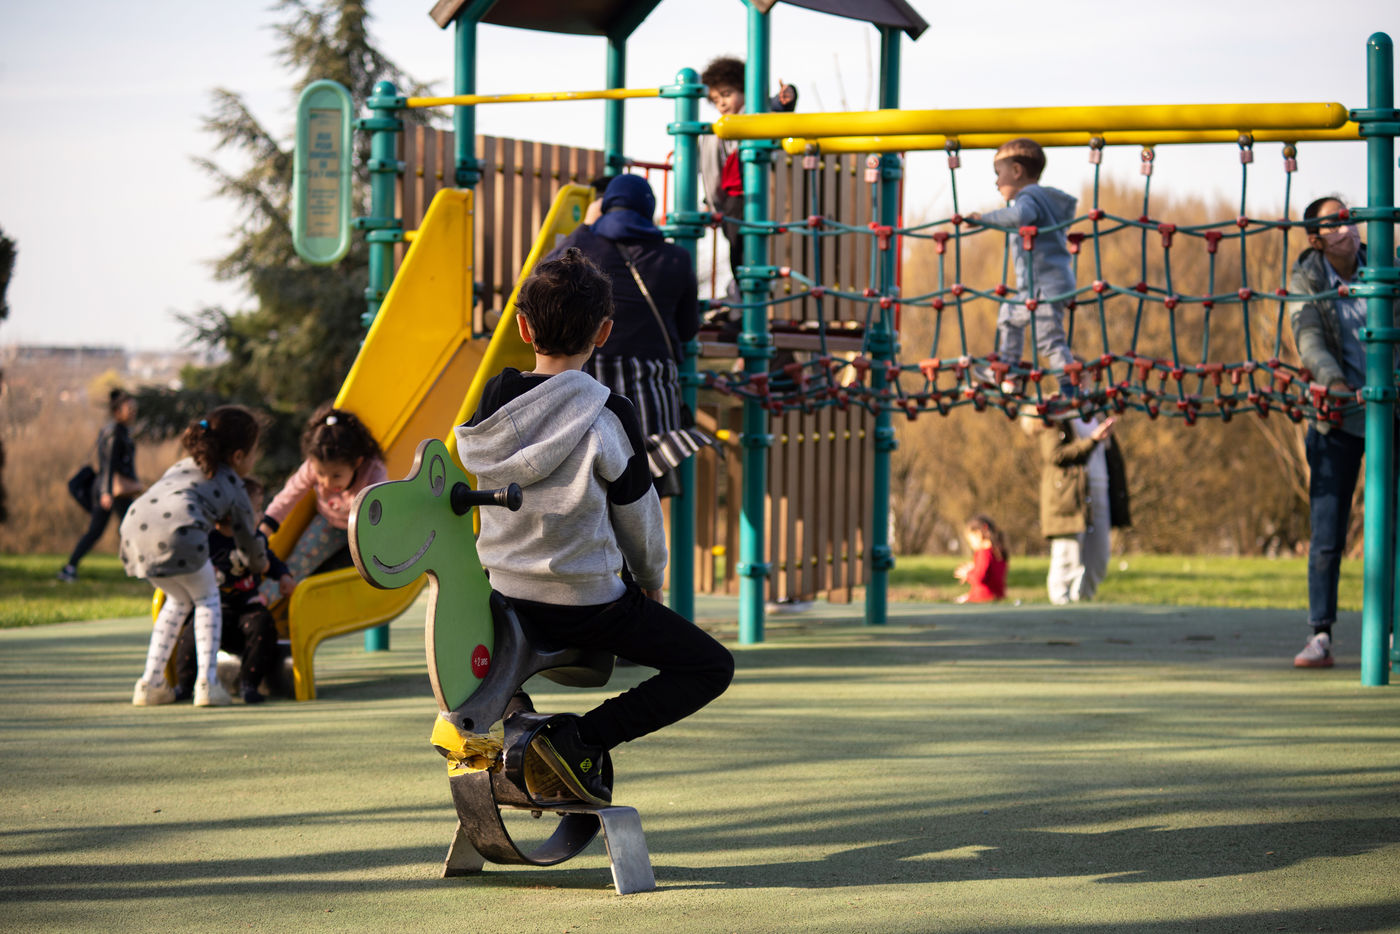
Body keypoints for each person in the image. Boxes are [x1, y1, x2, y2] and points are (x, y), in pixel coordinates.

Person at [456, 247, 734, 806]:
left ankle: (515, 719)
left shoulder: (492, 405)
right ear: (604, 332)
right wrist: (651, 580)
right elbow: (638, 517)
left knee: (498, 661)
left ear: (523, 328)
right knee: (710, 666)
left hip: (503, 597)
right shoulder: (609, 413)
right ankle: (582, 738)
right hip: (587, 606)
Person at [1288, 195, 1398, 668]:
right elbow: (1309, 336)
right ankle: (1320, 633)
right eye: (1334, 225)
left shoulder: (1385, 266)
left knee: (1393, 526)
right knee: (1328, 530)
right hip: (1338, 414)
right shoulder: (1308, 280)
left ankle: (1393, 630)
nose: (1347, 229)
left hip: (1390, 408)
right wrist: (1332, 381)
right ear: (1316, 240)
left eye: (1349, 220)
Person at [546, 173, 705, 494]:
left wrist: (586, 226)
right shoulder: (676, 257)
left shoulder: (584, 250)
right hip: (652, 391)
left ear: (606, 206)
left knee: (591, 483)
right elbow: (689, 328)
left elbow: (545, 276)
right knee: (643, 488)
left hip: (593, 382)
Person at [121, 406, 266, 707]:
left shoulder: (182, 466)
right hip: (180, 535)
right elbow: (247, 541)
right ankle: (207, 684)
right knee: (207, 601)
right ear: (239, 456)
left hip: (135, 530)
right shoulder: (234, 484)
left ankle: (150, 682)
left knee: (177, 602)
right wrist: (259, 563)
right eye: (254, 453)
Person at [965, 138, 1078, 396]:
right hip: (1042, 285)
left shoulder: (1029, 197)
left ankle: (1070, 390)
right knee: (1009, 315)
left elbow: (1020, 216)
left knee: (1050, 340)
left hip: (1045, 287)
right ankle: (1009, 371)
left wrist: (983, 219)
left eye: (999, 174)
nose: (996, 182)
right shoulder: (1044, 199)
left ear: (1016, 171)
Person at [173, 476, 294, 704]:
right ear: (236, 514)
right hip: (214, 608)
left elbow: (269, 560)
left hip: (247, 608)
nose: (261, 516)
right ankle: (185, 685)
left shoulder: (255, 539)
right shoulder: (208, 540)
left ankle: (249, 684)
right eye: (256, 510)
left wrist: (283, 576)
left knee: (263, 623)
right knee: (192, 632)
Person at [257, 404, 388, 603]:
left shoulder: (373, 472)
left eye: (336, 476)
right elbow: (289, 495)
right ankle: (262, 599)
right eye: (320, 474)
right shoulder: (313, 466)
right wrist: (265, 529)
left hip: (365, 529)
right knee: (302, 558)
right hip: (330, 522)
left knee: (370, 565)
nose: (326, 482)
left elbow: (382, 511)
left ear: (357, 463)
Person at [699, 55, 798, 293]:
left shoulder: (752, 115)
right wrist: (708, 202)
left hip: (753, 193)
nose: (721, 103)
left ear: (745, 90)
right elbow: (715, 169)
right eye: (715, 99)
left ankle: (749, 294)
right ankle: (741, 294)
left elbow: (773, 109)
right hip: (731, 199)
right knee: (736, 249)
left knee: (750, 249)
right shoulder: (722, 128)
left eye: (726, 94)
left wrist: (786, 98)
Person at [1024, 410, 1130, 604]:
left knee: (1098, 559)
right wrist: (1092, 440)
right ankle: (1061, 603)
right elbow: (1055, 455)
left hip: (1100, 488)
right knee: (1068, 555)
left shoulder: (1096, 411)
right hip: (1069, 494)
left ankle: (1082, 602)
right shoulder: (1055, 415)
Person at [60, 388, 142, 581]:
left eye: (134, 408)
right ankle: (70, 568)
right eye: (129, 409)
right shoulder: (114, 433)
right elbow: (109, 464)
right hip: (111, 490)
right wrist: (106, 492)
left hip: (116, 489)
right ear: (117, 411)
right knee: (101, 530)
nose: (133, 412)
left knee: (127, 527)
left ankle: (137, 567)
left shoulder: (121, 431)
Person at [954, 515, 1008, 604]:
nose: (971, 545)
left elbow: (979, 577)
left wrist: (967, 574)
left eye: (970, 541)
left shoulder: (984, 553)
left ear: (978, 534)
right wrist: (974, 568)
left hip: (982, 597)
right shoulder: (998, 552)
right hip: (998, 596)